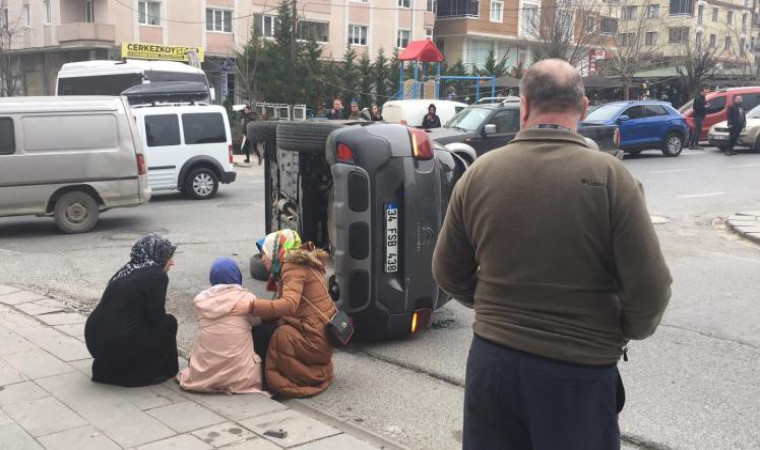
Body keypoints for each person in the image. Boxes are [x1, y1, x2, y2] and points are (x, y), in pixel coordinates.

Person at [432, 59, 672, 450]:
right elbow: (650, 289)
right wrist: (618, 330)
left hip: (494, 365)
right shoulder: (612, 179)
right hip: (578, 372)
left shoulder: (478, 174)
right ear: (584, 106)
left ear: (524, 106)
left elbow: (447, 271)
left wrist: (497, 308)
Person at [247, 230, 335, 398]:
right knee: (265, 326)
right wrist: (260, 317)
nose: (262, 258)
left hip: (313, 340)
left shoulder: (292, 267)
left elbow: (289, 305)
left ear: (276, 252)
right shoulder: (305, 263)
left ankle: (269, 381)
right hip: (322, 337)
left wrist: (251, 306)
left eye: (264, 253)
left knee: (265, 334)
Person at [85, 234, 180, 387]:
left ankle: (116, 364)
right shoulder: (156, 275)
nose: (172, 263)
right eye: (169, 257)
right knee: (169, 323)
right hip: (118, 347)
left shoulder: (127, 269)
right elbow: (156, 318)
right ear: (159, 255)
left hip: (94, 341)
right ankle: (159, 370)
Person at [177, 257, 267, 395]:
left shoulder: (201, 301)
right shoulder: (247, 298)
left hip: (204, 373)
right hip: (241, 377)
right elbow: (258, 322)